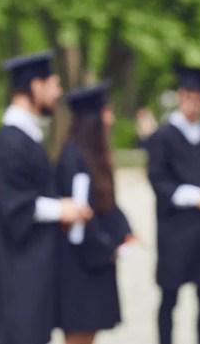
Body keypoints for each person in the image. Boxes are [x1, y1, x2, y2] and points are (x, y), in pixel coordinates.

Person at [0, 51, 93, 344]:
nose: (58, 93)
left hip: (29, 273)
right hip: (17, 277)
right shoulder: (11, 140)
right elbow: (13, 205)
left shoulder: (26, 136)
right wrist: (62, 209)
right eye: (53, 84)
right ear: (35, 86)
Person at [147, 67, 200, 344]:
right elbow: (159, 181)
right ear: (180, 97)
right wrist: (198, 197)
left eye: (198, 98)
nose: (192, 103)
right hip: (175, 227)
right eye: (187, 97)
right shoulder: (163, 137)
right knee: (169, 295)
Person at [55, 81, 136, 344]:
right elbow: (82, 219)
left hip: (93, 263)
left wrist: (125, 232)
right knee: (79, 335)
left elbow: (105, 205)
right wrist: (107, 248)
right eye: (106, 112)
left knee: (90, 336)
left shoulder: (93, 156)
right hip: (79, 267)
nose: (110, 118)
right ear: (93, 119)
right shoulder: (73, 158)